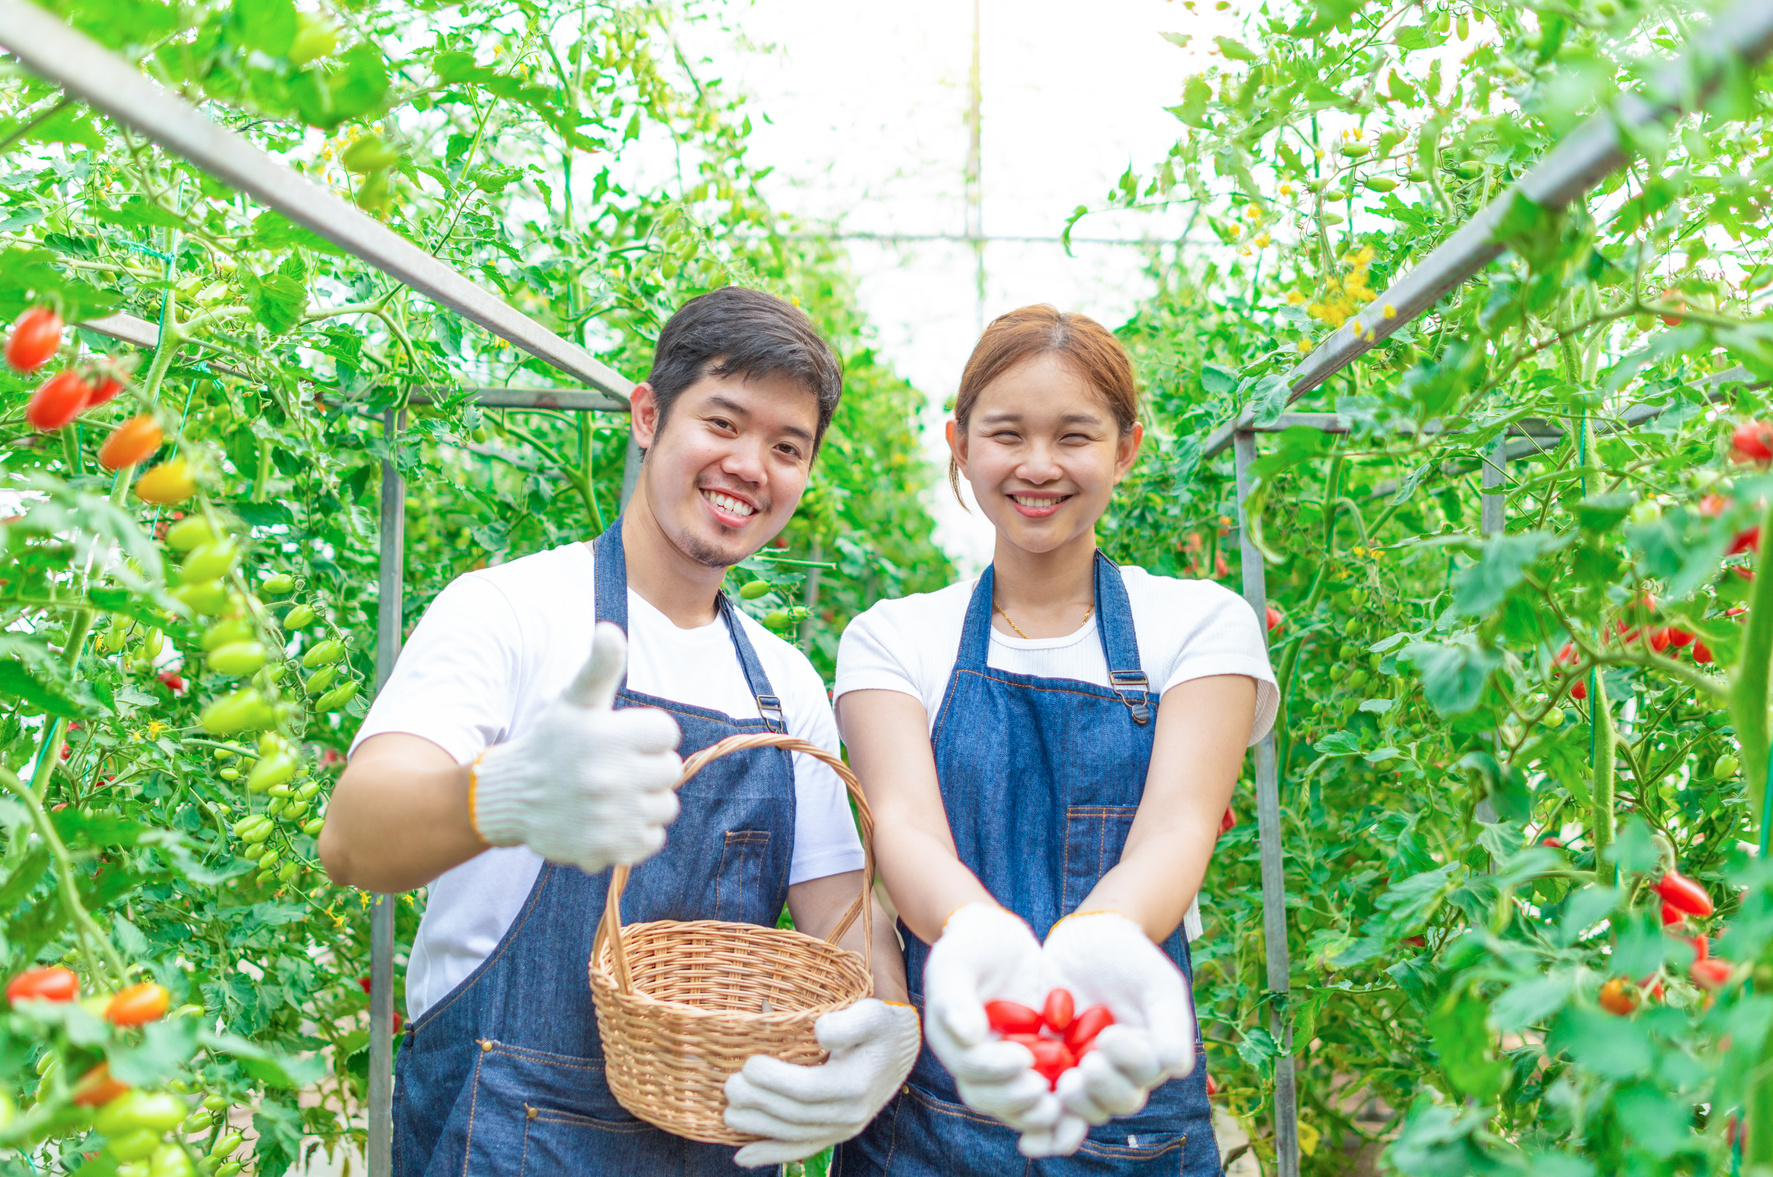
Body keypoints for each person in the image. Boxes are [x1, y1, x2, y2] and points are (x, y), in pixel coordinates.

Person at [320, 287, 919, 1176]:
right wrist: (500, 795)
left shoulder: (783, 686)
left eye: (786, 447)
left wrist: (887, 1027)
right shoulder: (510, 611)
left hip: (710, 1139)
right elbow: (354, 838)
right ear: (648, 415)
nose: (750, 464)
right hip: (497, 1133)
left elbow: (836, 910)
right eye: (722, 421)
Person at [829, 306, 1277, 1175]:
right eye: (1005, 434)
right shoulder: (893, 637)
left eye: (1074, 435)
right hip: (932, 1096)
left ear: (1126, 448)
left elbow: (1177, 827)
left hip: (1124, 1090)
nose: (1038, 466)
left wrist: (1096, 937)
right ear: (958, 444)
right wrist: (975, 935)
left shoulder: (1196, 624)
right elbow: (906, 830)